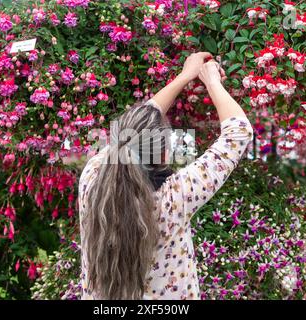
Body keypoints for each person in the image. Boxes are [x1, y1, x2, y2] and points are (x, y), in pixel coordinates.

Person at [78, 52, 254, 300]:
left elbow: (134, 130)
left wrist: (184, 76)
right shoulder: (174, 197)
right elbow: (238, 133)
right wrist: (211, 80)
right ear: (163, 154)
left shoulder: (93, 177)